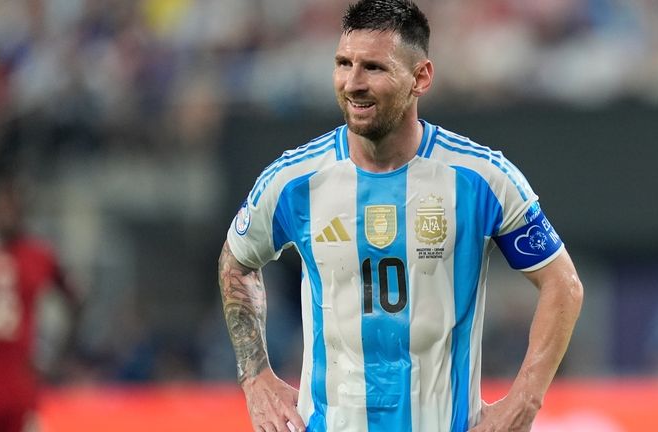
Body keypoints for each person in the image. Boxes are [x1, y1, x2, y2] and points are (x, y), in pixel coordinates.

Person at [218, 1, 584, 431]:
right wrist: (255, 376)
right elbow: (236, 260)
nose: (352, 83)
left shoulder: (480, 179)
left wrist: (524, 401)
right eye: (343, 63)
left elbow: (563, 283)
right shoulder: (294, 180)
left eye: (373, 68)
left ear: (420, 77)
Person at [0, 171, 81, 432]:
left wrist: (55, 354)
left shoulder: (39, 254)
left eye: (13, 204)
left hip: (19, 381)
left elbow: (76, 299)